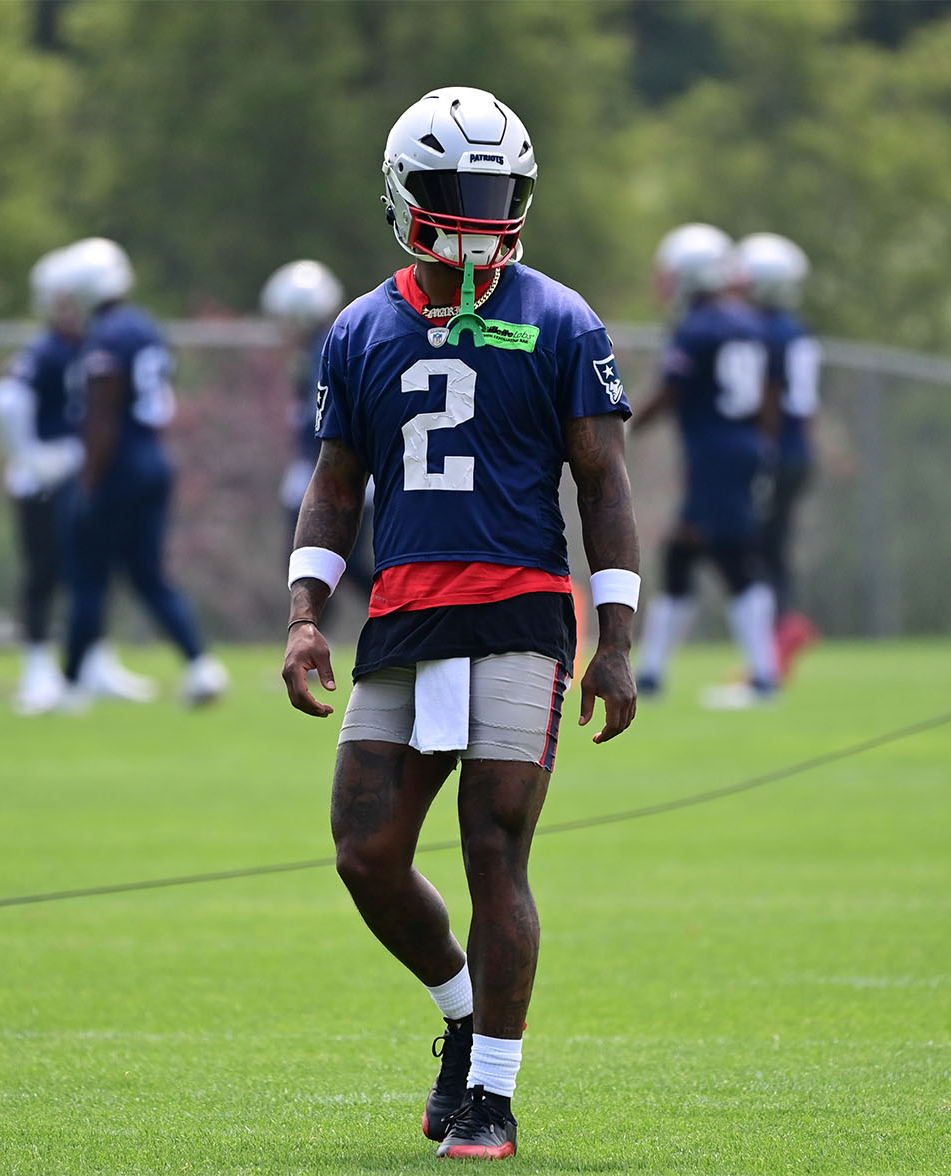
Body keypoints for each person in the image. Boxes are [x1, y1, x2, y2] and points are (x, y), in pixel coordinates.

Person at [280, 87, 640, 1161]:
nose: (478, 213)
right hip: (402, 610)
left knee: (494, 844)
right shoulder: (360, 329)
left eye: (496, 192)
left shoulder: (563, 319)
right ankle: (458, 1017)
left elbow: (605, 485)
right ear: (402, 195)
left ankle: (491, 1094)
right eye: (456, 192)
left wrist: (613, 637)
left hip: (523, 609)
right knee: (364, 853)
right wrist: (305, 615)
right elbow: (335, 485)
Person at [58, 237, 230, 707]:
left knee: (89, 576)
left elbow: (103, 414)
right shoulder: (144, 327)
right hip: (154, 459)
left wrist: (89, 481)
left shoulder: (107, 335)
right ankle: (201, 664)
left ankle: (71, 685)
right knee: (148, 574)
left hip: (119, 465)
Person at [0, 247, 156, 713]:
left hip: (76, 475)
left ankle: (96, 660)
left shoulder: (92, 344)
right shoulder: (44, 350)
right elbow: (6, 401)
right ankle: (38, 665)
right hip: (44, 480)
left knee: (91, 572)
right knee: (44, 573)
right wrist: (29, 456)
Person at [630, 224, 780, 707]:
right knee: (682, 554)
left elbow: (671, 392)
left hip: (717, 453)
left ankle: (762, 677)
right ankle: (651, 674)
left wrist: (623, 425)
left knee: (733, 558)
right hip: (738, 448)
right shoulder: (750, 322)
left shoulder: (697, 329)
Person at [260, 259, 375, 605]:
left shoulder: (326, 346)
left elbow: (321, 415)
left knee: (319, 563)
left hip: (329, 468)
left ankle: (393, 618)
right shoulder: (320, 344)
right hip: (323, 465)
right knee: (318, 566)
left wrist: (308, 468)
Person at [737, 232, 821, 679]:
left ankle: (775, 646)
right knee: (773, 548)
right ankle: (778, 638)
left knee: (756, 551)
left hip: (775, 453)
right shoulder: (794, 330)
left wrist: (761, 452)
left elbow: (772, 399)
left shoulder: (764, 333)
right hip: (796, 451)